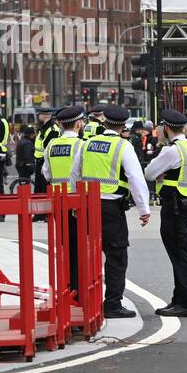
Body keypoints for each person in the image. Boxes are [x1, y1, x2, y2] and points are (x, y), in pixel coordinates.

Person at [74, 104, 151, 319]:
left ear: (104, 121)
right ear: (123, 125)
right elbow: (136, 178)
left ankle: (84, 301)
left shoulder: (87, 144)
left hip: (87, 204)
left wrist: (74, 202)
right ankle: (112, 304)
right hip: (111, 208)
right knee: (116, 256)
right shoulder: (123, 146)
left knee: (87, 255)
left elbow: (75, 175)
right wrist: (143, 209)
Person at [143, 109, 187, 317]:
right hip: (185, 204)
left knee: (179, 254)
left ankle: (186, 302)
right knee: (179, 252)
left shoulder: (172, 151)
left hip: (174, 205)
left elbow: (148, 172)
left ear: (166, 128)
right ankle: (179, 299)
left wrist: (159, 174)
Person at [45, 105, 86, 294]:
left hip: (57, 200)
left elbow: (46, 173)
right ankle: (78, 288)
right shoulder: (81, 145)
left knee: (64, 246)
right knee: (79, 248)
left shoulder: (51, 145)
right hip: (76, 201)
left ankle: (66, 285)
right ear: (78, 124)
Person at [32, 106, 57, 192]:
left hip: (45, 163)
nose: (38, 117)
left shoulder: (52, 130)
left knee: (44, 190)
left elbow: (49, 149)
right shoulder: (43, 128)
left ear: (45, 116)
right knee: (38, 191)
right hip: (40, 163)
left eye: (39, 115)